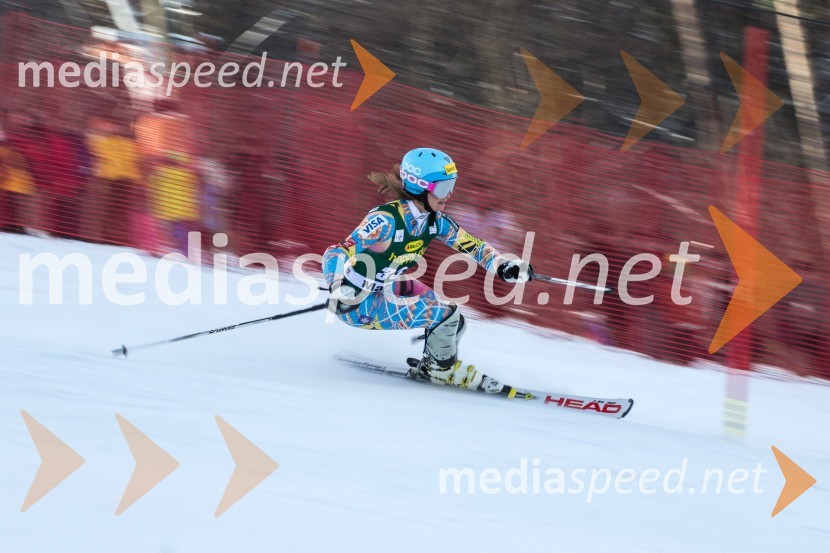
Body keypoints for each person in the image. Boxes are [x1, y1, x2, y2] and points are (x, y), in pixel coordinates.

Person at [322, 147, 533, 394]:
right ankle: (442, 371)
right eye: (443, 188)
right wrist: (339, 287)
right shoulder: (386, 220)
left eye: (452, 185)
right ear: (419, 187)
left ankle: (433, 364)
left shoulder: (436, 221)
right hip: (359, 303)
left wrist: (503, 265)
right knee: (445, 317)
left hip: (387, 286)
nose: (449, 194)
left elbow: (474, 247)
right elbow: (335, 253)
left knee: (455, 320)